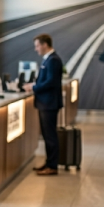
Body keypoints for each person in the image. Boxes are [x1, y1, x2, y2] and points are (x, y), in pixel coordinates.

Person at [23, 33, 63, 176]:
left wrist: (33, 87)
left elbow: (50, 82)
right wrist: (34, 84)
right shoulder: (49, 59)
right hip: (46, 103)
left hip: (49, 104)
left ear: (45, 44)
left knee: (50, 136)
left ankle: (52, 166)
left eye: (37, 45)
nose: (36, 49)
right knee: (47, 136)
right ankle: (49, 162)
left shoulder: (53, 60)